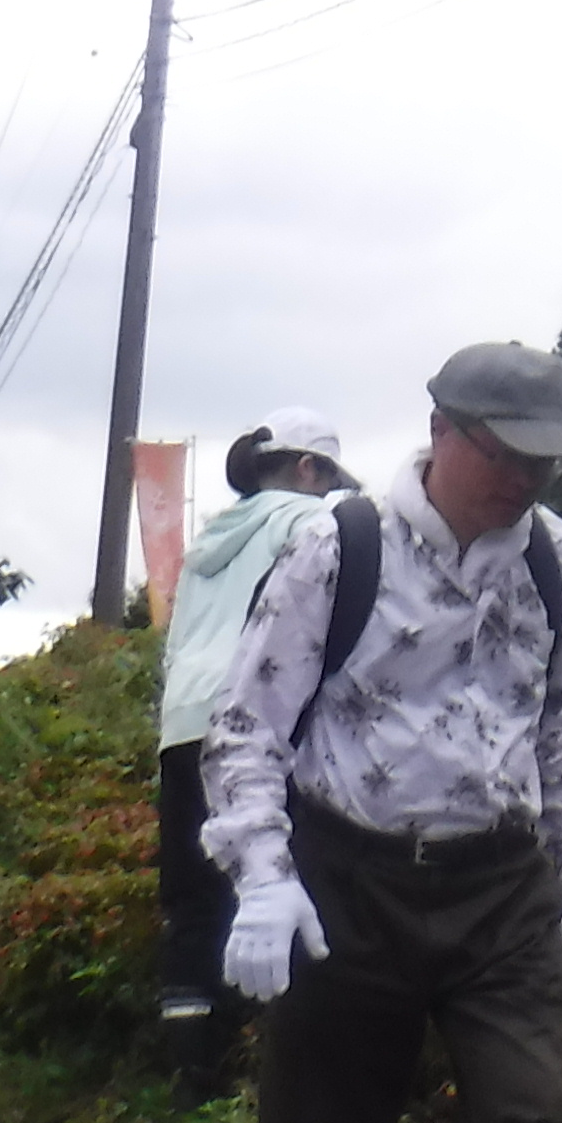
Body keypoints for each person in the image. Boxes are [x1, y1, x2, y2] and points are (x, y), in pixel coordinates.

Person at [203, 342, 562, 1123]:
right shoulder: (340, 546)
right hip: (349, 876)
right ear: (443, 432)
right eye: (505, 455)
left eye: (545, 463)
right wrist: (264, 875)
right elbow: (246, 727)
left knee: (527, 1110)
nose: (524, 481)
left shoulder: (559, 561)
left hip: (503, 883)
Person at [151, 410, 352, 1086]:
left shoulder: (208, 542)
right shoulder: (312, 524)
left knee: (193, 900)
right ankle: (267, 1075)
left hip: (183, 724)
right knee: (274, 882)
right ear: (308, 468)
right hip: (257, 722)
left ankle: (191, 1075)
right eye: (329, 478)